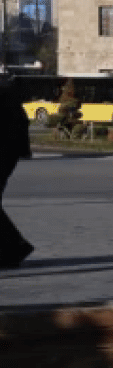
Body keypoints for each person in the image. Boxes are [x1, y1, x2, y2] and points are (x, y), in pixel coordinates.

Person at [0, 76, 34, 268]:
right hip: (8, 154)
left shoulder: (5, 97)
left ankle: (15, 247)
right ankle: (13, 248)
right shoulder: (8, 96)